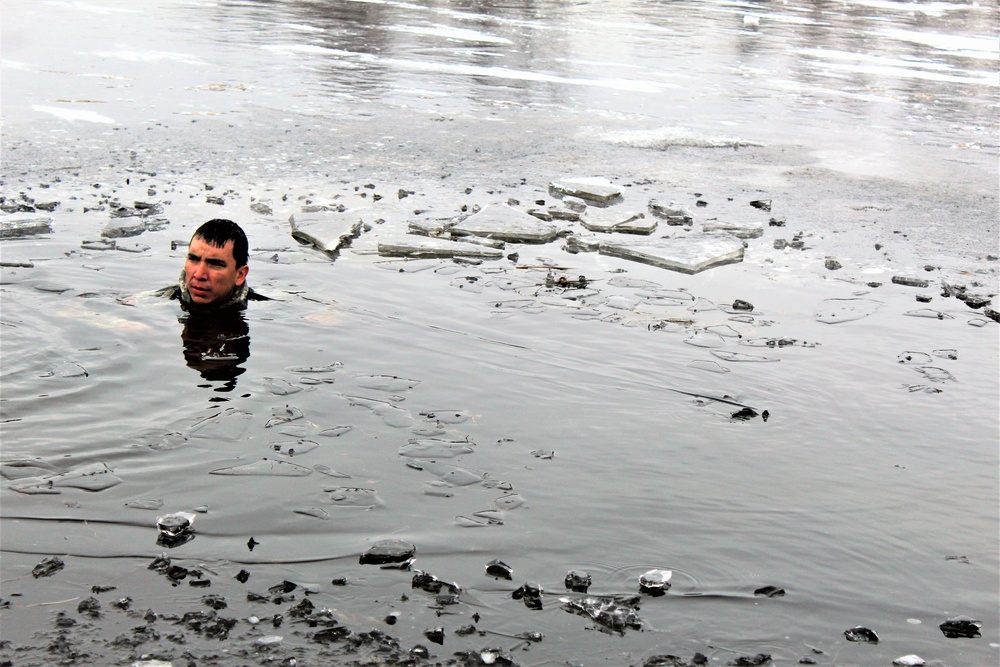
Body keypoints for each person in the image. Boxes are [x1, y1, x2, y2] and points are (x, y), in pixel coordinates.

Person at [165, 218, 267, 310]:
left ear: (240, 275)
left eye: (215, 264)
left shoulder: (266, 312)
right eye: (194, 259)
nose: (199, 275)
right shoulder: (159, 303)